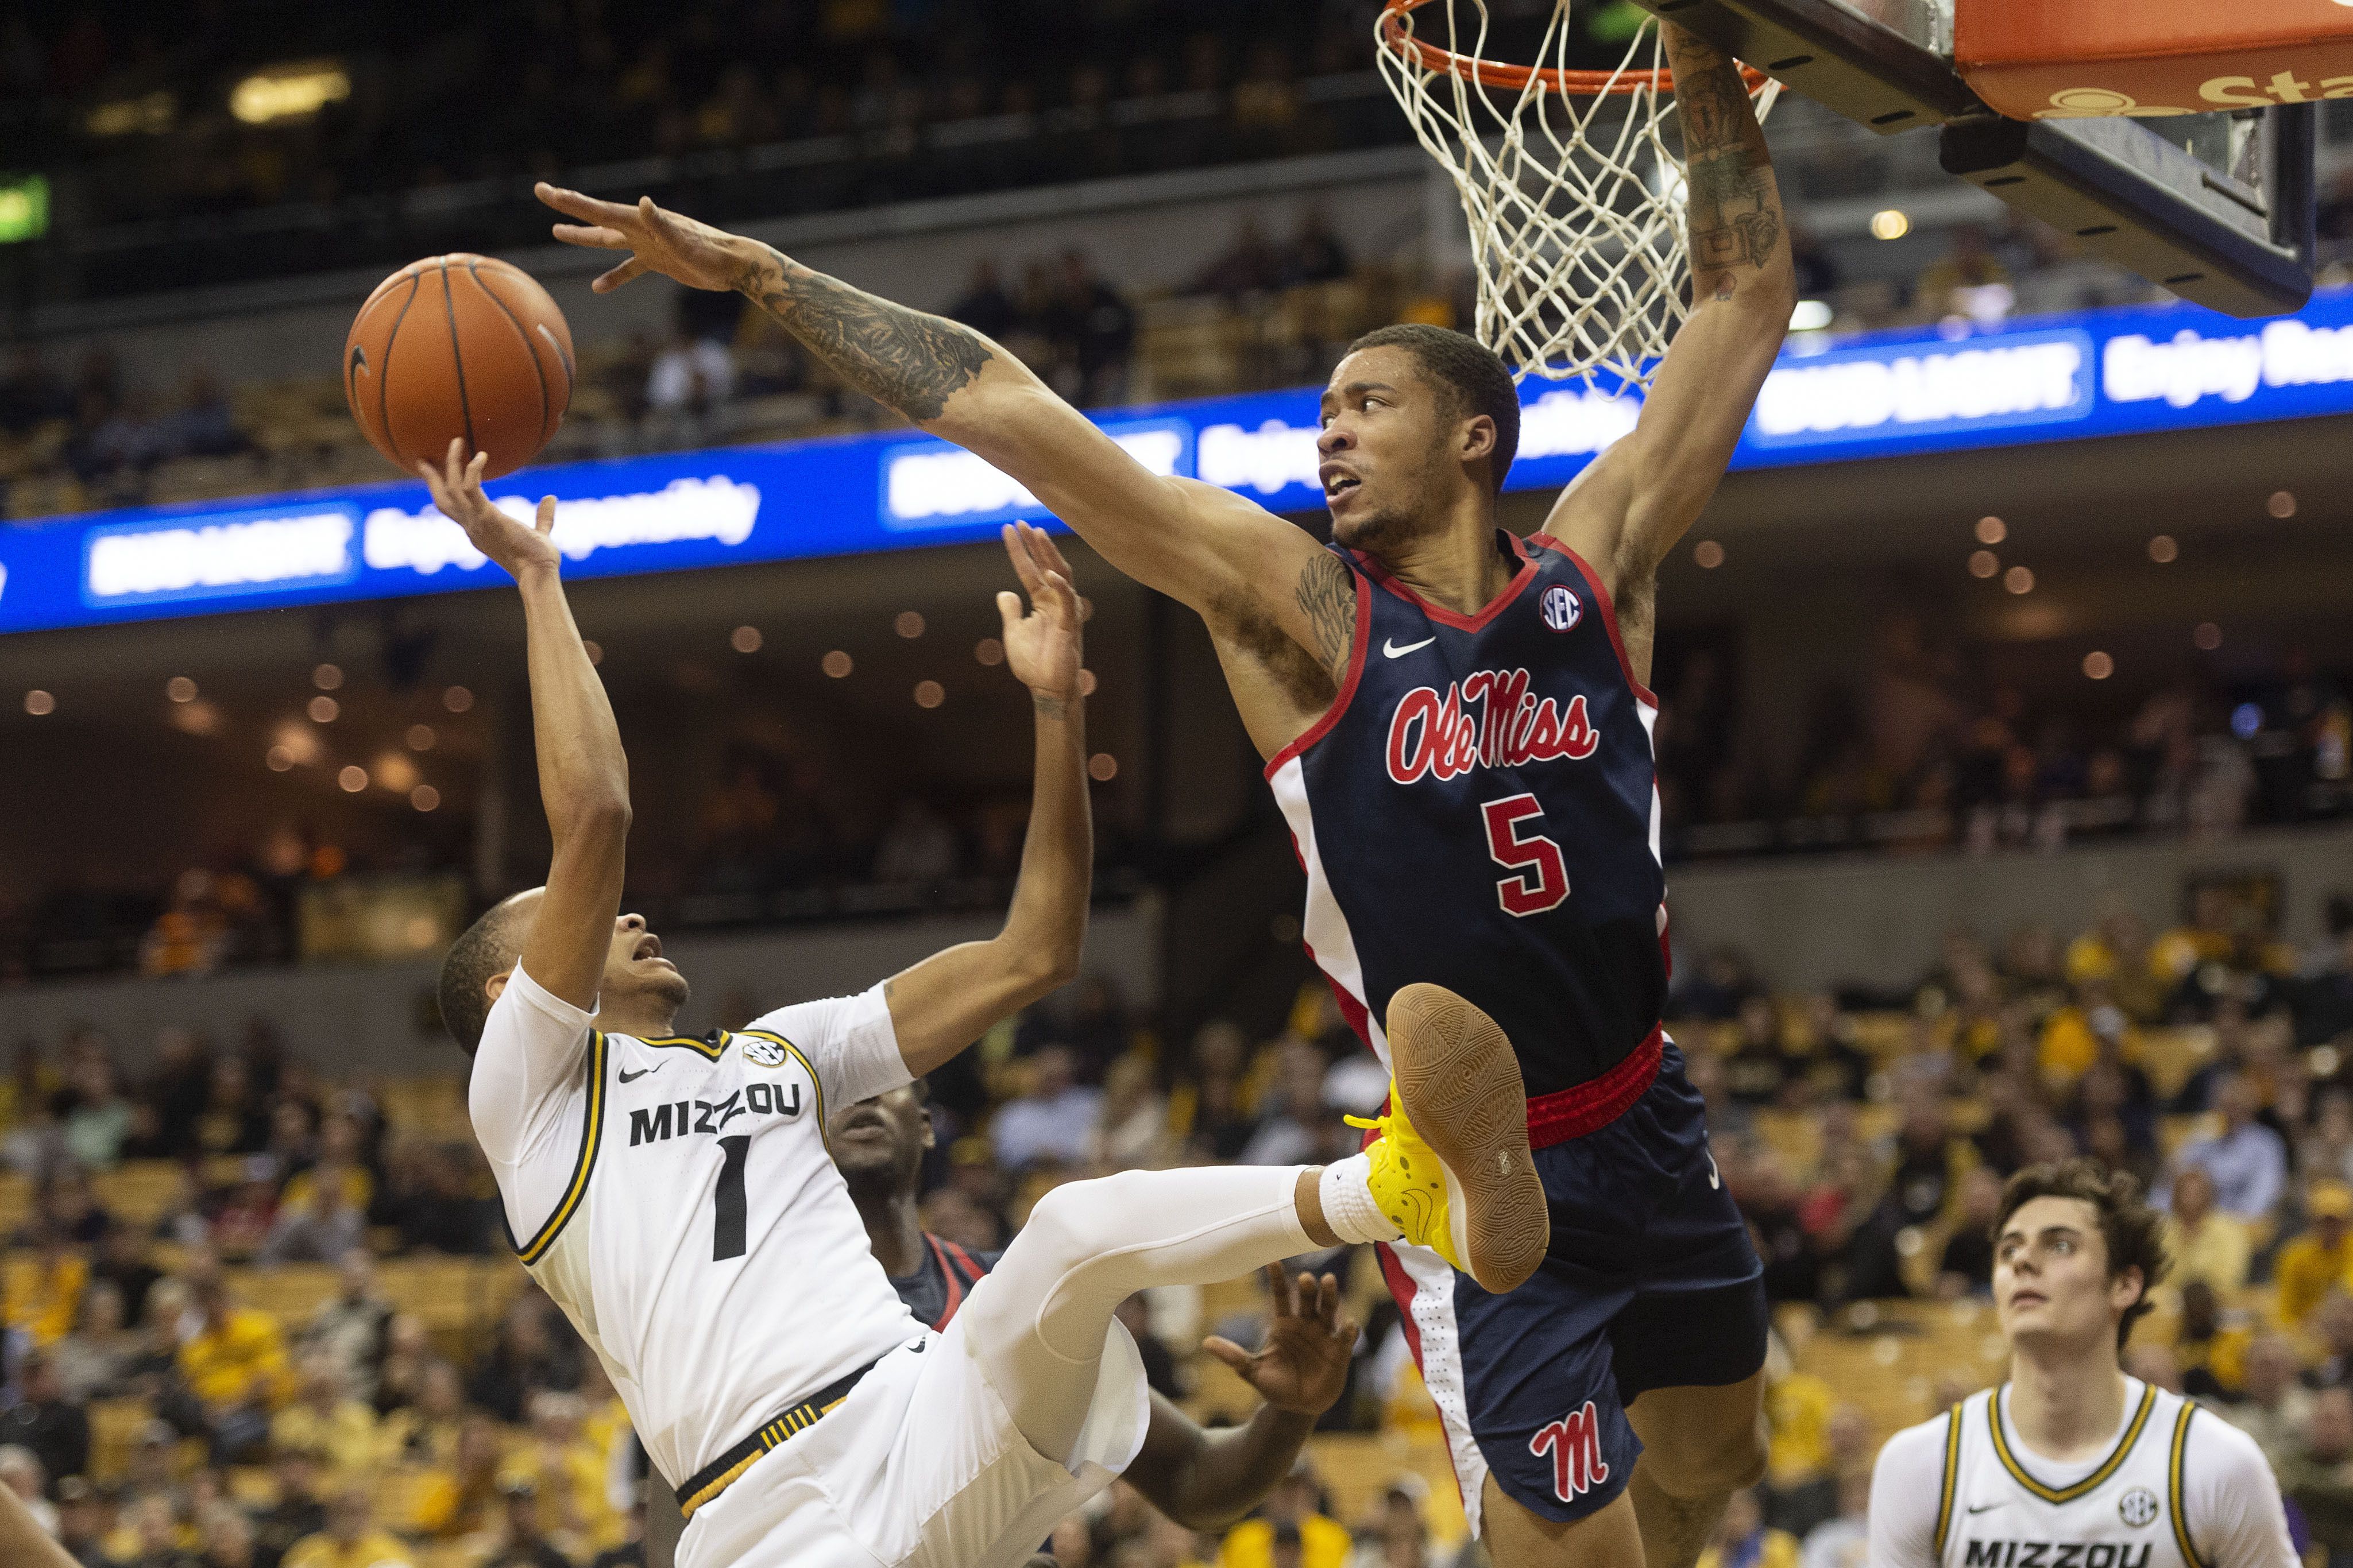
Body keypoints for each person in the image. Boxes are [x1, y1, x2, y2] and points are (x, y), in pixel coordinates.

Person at [534, 20, 1782, 1565]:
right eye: (1320, 410)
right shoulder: (1299, 609)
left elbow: (1740, 297)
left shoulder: (1599, 570)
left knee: (1719, 1457)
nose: (1326, 431)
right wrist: (769, 279)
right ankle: (1464, 1210)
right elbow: (1012, 411)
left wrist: (1711, 44)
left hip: (1642, 1103)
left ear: (1475, 436)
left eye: (1365, 405)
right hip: (1477, 1157)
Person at [423, 445, 1542, 1568]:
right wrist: (536, 581)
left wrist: (1056, 714)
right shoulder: (526, 1103)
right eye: (561, 915)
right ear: (503, 989)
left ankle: (1400, 1187)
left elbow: (1032, 955)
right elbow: (598, 817)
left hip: (918, 1415)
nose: (622, 919)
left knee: (1064, 1231)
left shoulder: (778, 1056)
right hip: (757, 1510)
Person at [642, 1073, 1365, 1567]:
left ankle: (1372, 1196)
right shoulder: (737, 1312)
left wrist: (1288, 1415)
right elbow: (681, 1522)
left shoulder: (1006, 1291)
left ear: (926, 1123)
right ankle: (1369, 1194)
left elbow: (1195, 1480)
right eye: (835, 1086)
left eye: (880, 1078)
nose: (859, 1096)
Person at [1867, 1159, 2294, 1567]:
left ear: (2125, 1284)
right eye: (2008, 1249)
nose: (2022, 1261)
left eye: (2059, 1244)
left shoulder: (2215, 1463)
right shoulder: (1920, 1465)